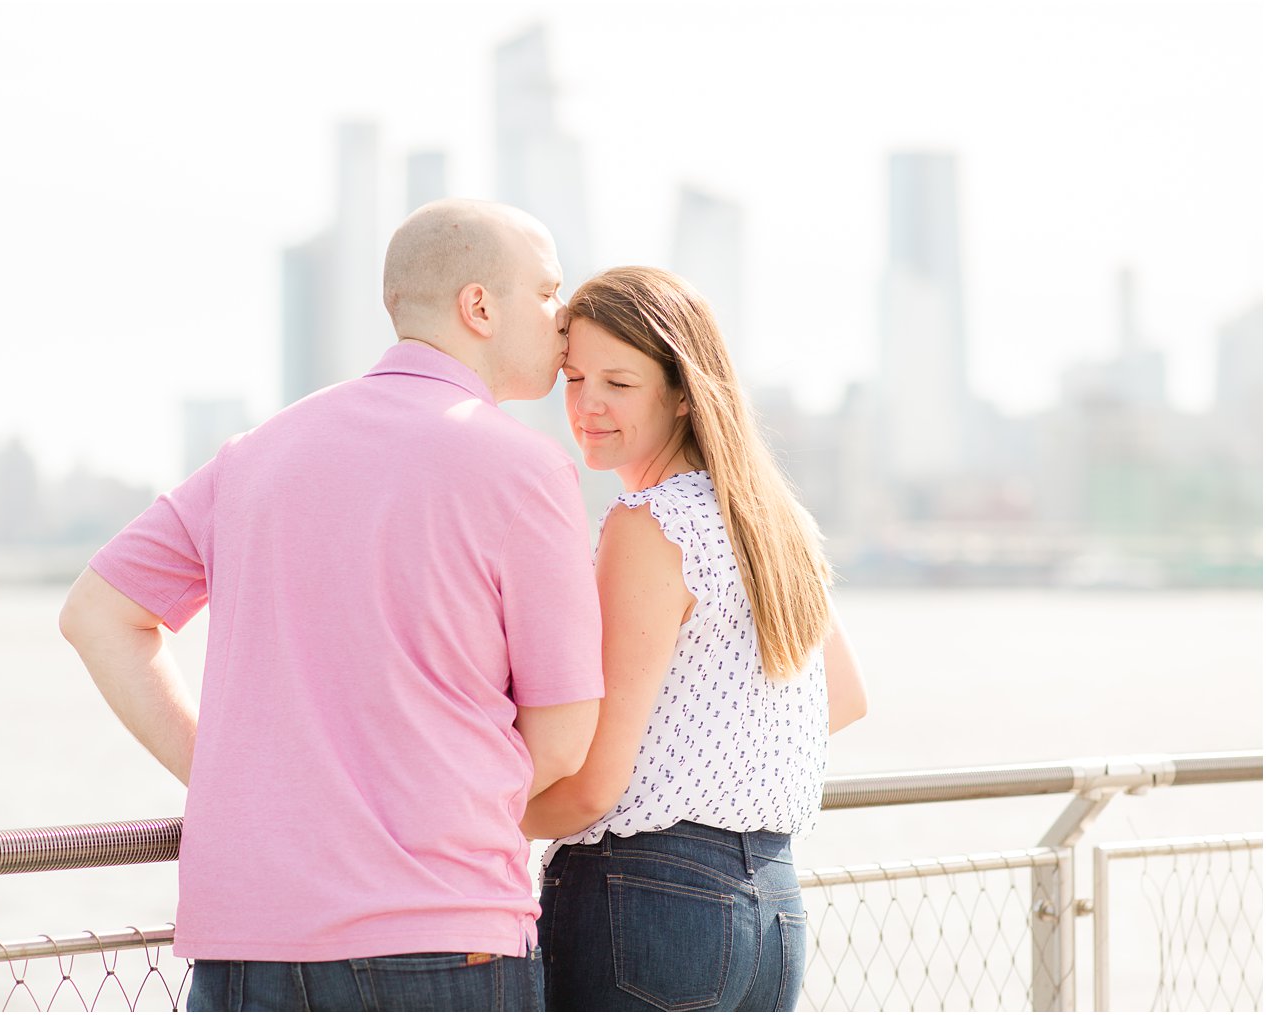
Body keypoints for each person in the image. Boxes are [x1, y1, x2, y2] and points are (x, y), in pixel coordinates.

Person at [59, 199, 605, 1012]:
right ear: (480, 306)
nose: (565, 322)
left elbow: (96, 614)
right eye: (549, 291)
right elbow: (562, 741)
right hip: (437, 934)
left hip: (246, 939)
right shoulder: (525, 469)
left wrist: (229, 779)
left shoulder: (254, 454)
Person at [521, 266, 867, 1012]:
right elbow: (843, 697)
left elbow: (592, 785)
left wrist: (445, 822)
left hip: (647, 901)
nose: (586, 405)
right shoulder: (773, 520)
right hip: (771, 907)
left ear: (683, 391)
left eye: (619, 382)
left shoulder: (649, 524)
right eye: (575, 377)